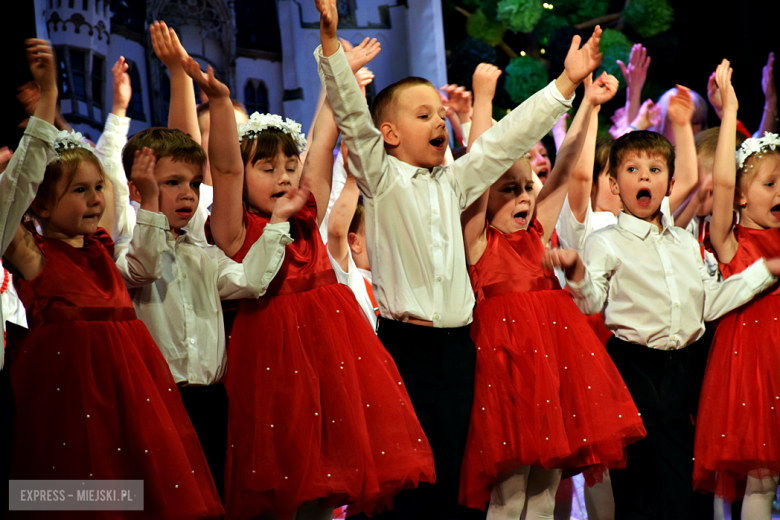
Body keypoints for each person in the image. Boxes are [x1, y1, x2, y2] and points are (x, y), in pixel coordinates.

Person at [314, 0, 603, 516]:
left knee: (458, 484)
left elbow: (508, 139)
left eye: (441, 114)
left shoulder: (454, 181)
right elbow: (354, 122)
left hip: (460, 353)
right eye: (423, 114)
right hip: (408, 349)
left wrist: (565, 84)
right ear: (391, 133)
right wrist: (333, 47)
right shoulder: (381, 180)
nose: (439, 121)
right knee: (412, 487)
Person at [182, 48, 435, 520]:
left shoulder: (307, 210)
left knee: (326, 482)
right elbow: (227, 167)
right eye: (267, 167)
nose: (284, 176)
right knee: (285, 480)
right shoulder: (234, 227)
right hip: (273, 357)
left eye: (288, 166)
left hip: (331, 349)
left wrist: (333, 69)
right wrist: (218, 102)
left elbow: (321, 140)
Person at [1, 38, 223, 520]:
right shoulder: (33, 253)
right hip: (69, 405)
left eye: (98, 188)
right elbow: (11, 196)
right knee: (85, 502)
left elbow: (131, 189)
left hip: (132, 400)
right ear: (40, 206)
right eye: (79, 191)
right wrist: (48, 105)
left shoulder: (103, 245)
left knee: (143, 498)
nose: (96, 199)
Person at [545, 129, 780, 520]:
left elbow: (710, 304)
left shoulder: (685, 243)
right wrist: (576, 274)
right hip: (635, 368)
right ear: (616, 185)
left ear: (670, 184)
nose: (643, 178)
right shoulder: (605, 242)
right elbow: (591, 301)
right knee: (638, 485)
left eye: (654, 169)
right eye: (632, 169)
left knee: (681, 485)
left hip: (685, 370)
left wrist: (763, 272)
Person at [459, 66, 645, 518]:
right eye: (511, 190)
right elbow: (480, 162)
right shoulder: (479, 241)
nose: (524, 197)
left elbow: (565, 171)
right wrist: (483, 99)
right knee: (509, 495)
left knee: (545, 494)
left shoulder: (538, 236)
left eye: (527, 188)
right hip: (506, 378)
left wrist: (591, 105)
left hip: (553, 372)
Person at [114, 130, 293, 501]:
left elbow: (251, 281)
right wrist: (149, 202)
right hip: (159, 403)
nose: (188, 194)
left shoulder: (203, 254)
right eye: (172, 183)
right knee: (169, 501)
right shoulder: (123, 250)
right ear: (137, 190)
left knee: (215, 497)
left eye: (194, 183)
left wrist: (277, 223)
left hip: (212, 402)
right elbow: (143, 268)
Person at [693, 60, 780, 520]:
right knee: (758, 483)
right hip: (750, 367)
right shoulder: (730, 239)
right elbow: (726, 178)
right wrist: (728, 115)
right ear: (743, 197)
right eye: (770, 184)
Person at [327, 144, 378, 329]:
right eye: (377, 230)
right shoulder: (350, 280)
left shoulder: (393, 279)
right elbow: (336, 232)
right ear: (355, 242)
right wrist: (351, 177)